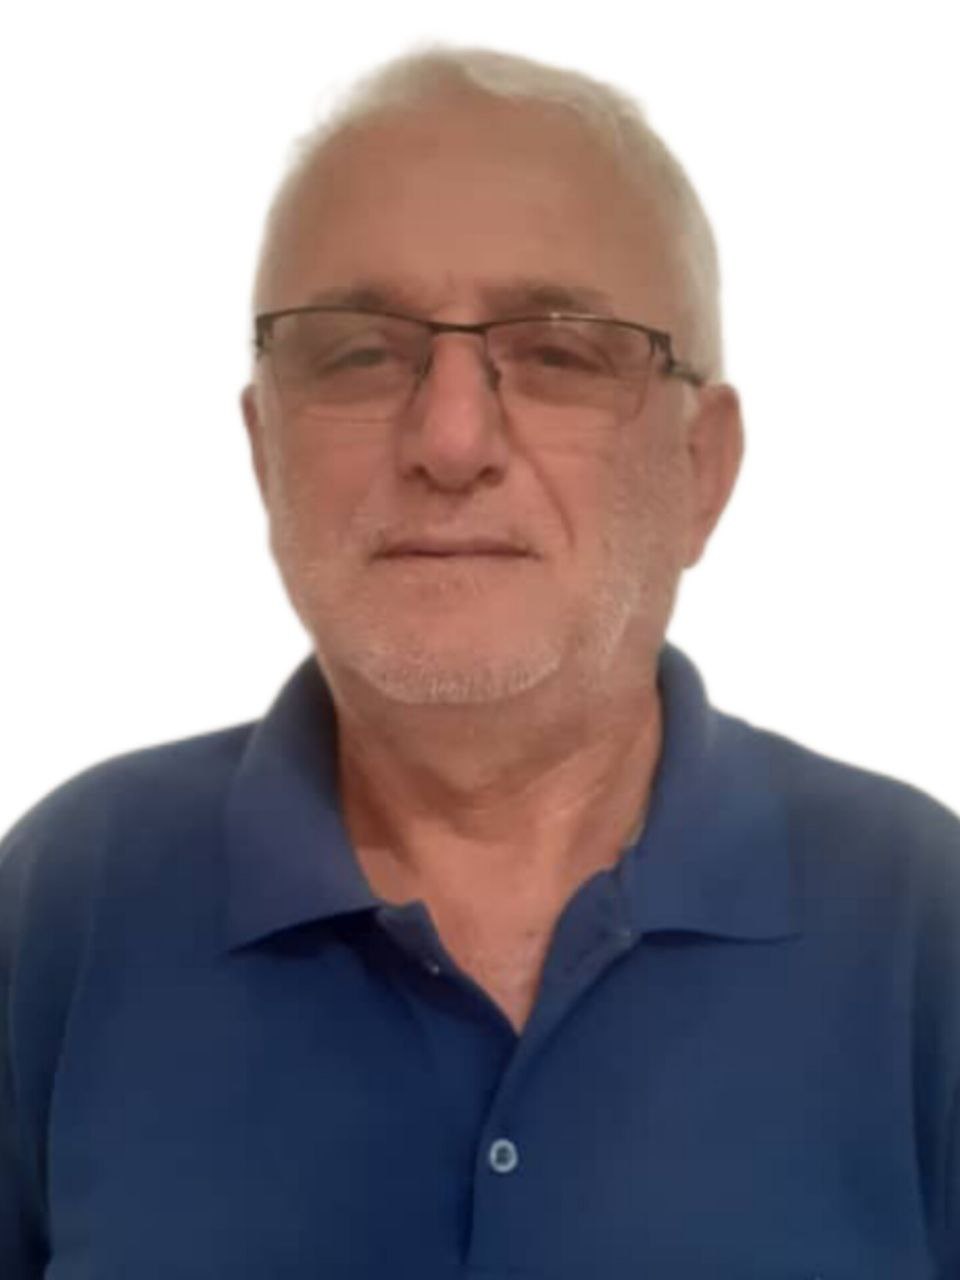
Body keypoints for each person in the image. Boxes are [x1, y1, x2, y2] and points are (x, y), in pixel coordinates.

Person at [1, 43, 957, 1279]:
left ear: (701, 470)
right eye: (357, 351)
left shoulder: (922, 927)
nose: (450, 439)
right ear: (264, 450)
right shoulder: (65, 907)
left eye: (560, 351)